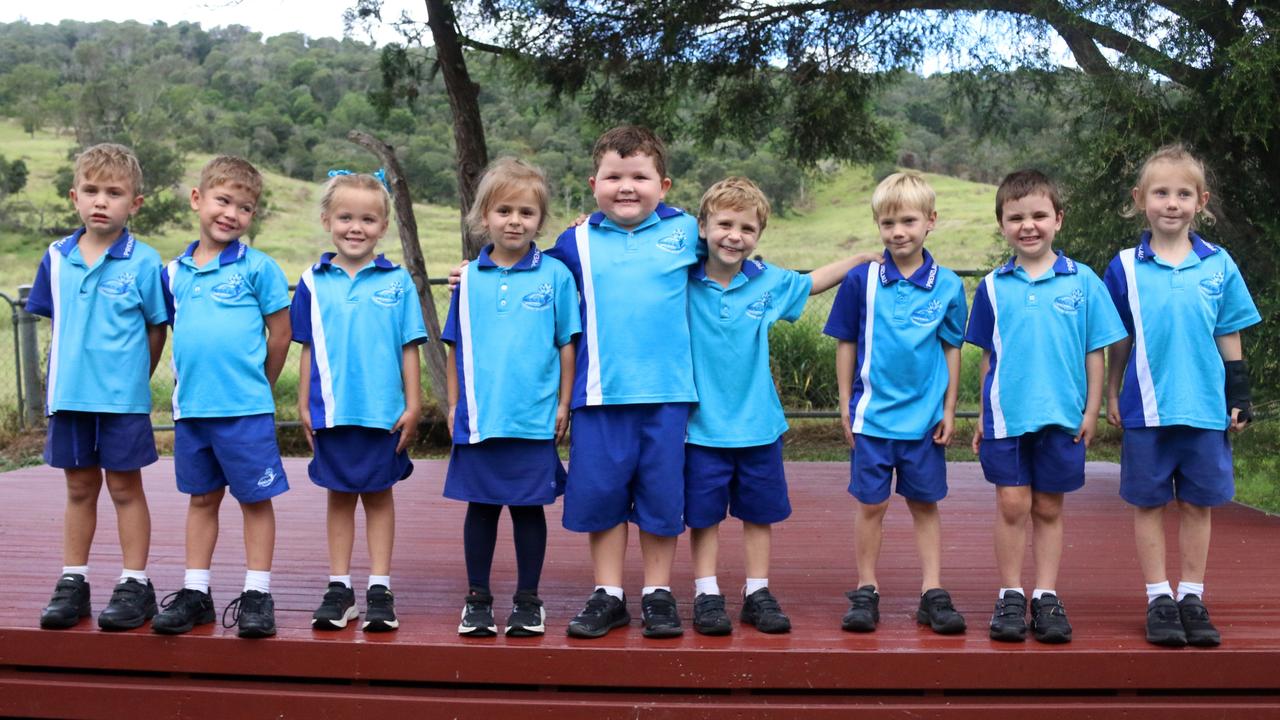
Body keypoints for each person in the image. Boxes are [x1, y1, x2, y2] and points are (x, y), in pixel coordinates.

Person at [684, 176, 875, 636]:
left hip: (758, 424)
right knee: (703, 516)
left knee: (759, 513)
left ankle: (756, 591)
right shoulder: (681, 280)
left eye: (747, 229)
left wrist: (864, 259)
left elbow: (812, 283)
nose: (735, 236)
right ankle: (706, 593)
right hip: (699, 426)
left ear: (759, 236)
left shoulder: (766, 283)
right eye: (725, 224)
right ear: (703, 227)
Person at [1103, 145, 1260, 648]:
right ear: (1140, 199)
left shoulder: (1218, 265)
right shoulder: (1124, 266)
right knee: (1148, 504)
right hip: (1146, 409)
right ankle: (1158, 598)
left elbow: (1229, 331)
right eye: (1161, 192)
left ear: (1201, 201)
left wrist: (1239, 392)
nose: (1172, 202)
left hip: (1204, 408)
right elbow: (1118, 339)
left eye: (1184, 193)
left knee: (1198, 503)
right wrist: (1110, 391)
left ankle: (1191, 595)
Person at [967, 170, 1127, 644]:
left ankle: (1046, 595)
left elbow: (1095, 351)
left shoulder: (1083, 281)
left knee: (1049, 507)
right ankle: (1010, 594)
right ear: (1002, 225)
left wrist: (1092, 409)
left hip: (1063, 415)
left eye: (1039, 215)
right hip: (1008, 416)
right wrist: (981, 413)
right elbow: (987, 357)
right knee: (1012, 503)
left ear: (1058, 219)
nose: (1028, 225)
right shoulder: (993, 287)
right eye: (1016, 217)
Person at [553, 126, 699, 639]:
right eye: (614, 176)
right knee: (602, 497)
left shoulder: (689, 232)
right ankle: (608, 594)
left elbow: (733, 255)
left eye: (640, 176)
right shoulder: (575, 241)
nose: (627, 187)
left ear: (665, 184)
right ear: (594, 183)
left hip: (667, 394)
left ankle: (658, 594)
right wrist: (470, 273)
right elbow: (532, 277)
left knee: (662, 500)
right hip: (599, 393)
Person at [150, 156, 293, 638]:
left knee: (255, 501)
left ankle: (257, 594)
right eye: (223, 200)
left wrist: (262, 386)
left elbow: (280, 334)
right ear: (198, 199)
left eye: (245, 207)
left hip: (245, 411)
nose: (231, 213)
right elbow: (172, 329)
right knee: (201, 499)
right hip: (193, 412)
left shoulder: (260, 268)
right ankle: (196, 593)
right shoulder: (173, 273)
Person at [28, 143, 168, 631]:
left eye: (114, 192)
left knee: (126, 488)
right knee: (79, 487)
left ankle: (134, 583)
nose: (101, 201)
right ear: (74, 197)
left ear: (135, 203)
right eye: (91, 191)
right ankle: (74, 582)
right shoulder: (55, 256)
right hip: (68, 398)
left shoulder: (145, 262)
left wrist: (132, 377)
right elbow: (55, 319)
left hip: (122, 402)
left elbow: (156, 328)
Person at [823, 171, 969, 635]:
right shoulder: (860, 280)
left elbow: (952, 348)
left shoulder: (947, 285)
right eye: (887, 223)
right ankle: (866, 588)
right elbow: (845, 341)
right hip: (872, 419)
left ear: (931, 221)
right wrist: (845, 403)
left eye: (908, 220)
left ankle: (932, 590)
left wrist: (948, 409)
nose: (898, 232)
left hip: (924, 421)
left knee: (925, 505)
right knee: (871, 506)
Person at [442, 158, 578, 637]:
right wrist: (454, 403)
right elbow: (455, 345)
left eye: (526, 212)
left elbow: (567, 345)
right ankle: (477, 599)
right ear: (484, 217)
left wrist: (563, 404)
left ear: (541, 219)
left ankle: (528, 600)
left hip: (533, 415)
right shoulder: (468, 279)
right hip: (481, 416)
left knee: (527, 508)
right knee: (480, 507)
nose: (515, 220)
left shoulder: (556, 275)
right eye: (504, 210)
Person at [292, 170, 426, 633]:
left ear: (383, 226)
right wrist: (302, 403)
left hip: (383, 413)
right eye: (345, 217)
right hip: (331, 410)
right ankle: (339, 587)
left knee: (379, 496)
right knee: (339, 495)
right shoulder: (312, 280)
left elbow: (410, 346)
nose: (356, 227)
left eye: (368, 219)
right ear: (328, 219)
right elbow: (307, 346)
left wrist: (414, 404)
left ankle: (380, 588)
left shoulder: (398, 282)